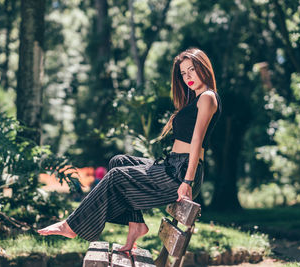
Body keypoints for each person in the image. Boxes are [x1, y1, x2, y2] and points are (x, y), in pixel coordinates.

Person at [37, 47, 222, 252]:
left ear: (203, 67)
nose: (187, 76)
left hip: (182, 173)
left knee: (116, 176)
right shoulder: (195, 100)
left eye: (192, 70)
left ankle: (71, 225)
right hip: (173, 165)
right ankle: (136, 225)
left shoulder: (207, 97)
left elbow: (197, 140)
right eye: (183, 73)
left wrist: (187, 181)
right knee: (119, 161)